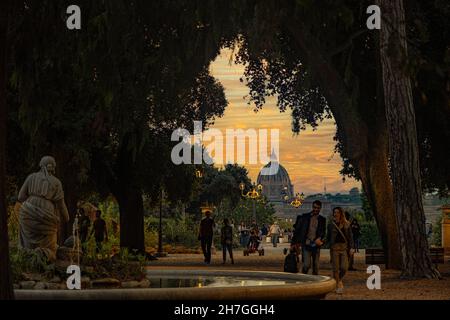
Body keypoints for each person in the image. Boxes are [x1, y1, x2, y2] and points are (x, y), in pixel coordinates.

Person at [17, 156, 69, 262]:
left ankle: (29, 262)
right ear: (53, 167)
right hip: (47, 213)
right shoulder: (56, 182)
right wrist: (67, 217)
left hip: (29, 211)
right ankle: (45, 261)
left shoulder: (31, 177)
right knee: (48, 245)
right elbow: (61, 204)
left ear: (41, 165)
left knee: (29, 246)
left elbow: (20, 197)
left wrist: (31, 203)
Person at [291, 200, 326, 275]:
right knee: (306, 265)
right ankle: (304, 277)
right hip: (306, 244)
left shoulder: (322, 219)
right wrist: (293, 243)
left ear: (320, 208)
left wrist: (320, 239)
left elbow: (323, 232)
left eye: (318, 208)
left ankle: (315, 283)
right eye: (315, 207)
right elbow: (297, 230)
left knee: (316, 266)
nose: (316, 209)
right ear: (312, 207)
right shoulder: (305, 217)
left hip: (316, 245)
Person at [327, 207, 354, 294]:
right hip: (334, 248)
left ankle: (338, 280)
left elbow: (350, 237)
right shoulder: (331, 225)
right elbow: (328, 237)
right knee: (335, 269)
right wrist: (321, 242)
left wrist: (351, 247)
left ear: (341, 214)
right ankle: (339, 285)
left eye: (337, 212)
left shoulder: (347, 224)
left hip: (344, 248)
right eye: (334, 212)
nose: (336, 214)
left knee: (344, 268)